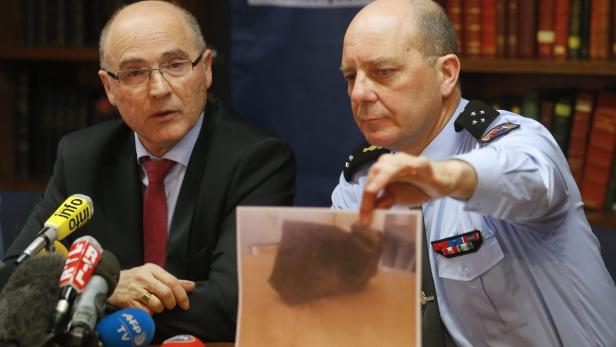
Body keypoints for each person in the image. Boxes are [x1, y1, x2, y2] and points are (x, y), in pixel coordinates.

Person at [3, 1, 295, 343]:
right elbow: (14, 283)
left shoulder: (257, 160)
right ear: (109, 87)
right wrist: (109, 287)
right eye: (135, 73)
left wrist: (94, 295)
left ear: (207, 69)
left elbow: (232, 305)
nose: (159, 89)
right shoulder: (82, 157)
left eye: (175, 65)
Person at [331, 0, 616, 346]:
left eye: (383, 72)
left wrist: (446, 178)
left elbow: (533, 181)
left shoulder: (512, 140)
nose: (359, 93)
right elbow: (345, 296)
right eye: (350, 77)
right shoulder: (362, 178)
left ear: (446, 74)